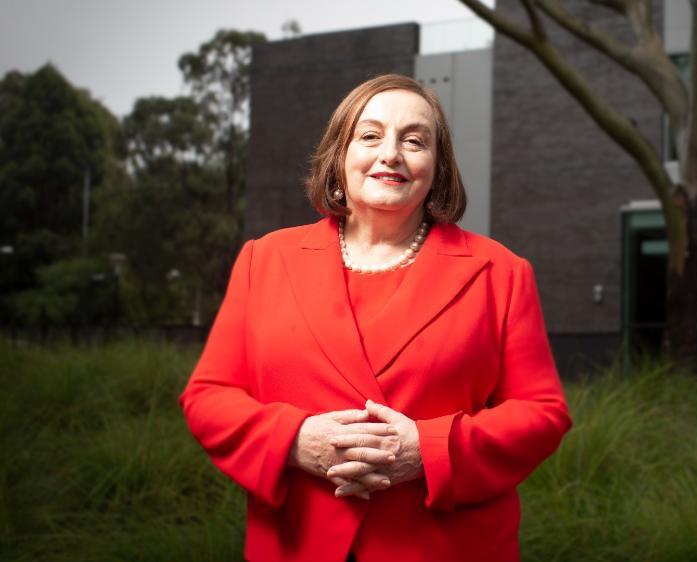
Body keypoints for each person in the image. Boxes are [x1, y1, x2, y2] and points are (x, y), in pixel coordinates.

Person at [179, 73, 572, 562]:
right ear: (339, 155)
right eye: (370, 135)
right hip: (297, 543)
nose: (391, 153)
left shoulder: (502, 273)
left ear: (438, 166)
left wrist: (429, 450)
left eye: (414, 140)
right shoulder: (266, 259)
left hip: (443, 547)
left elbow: (543, 413)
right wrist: (295, 440)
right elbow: (208, 397)